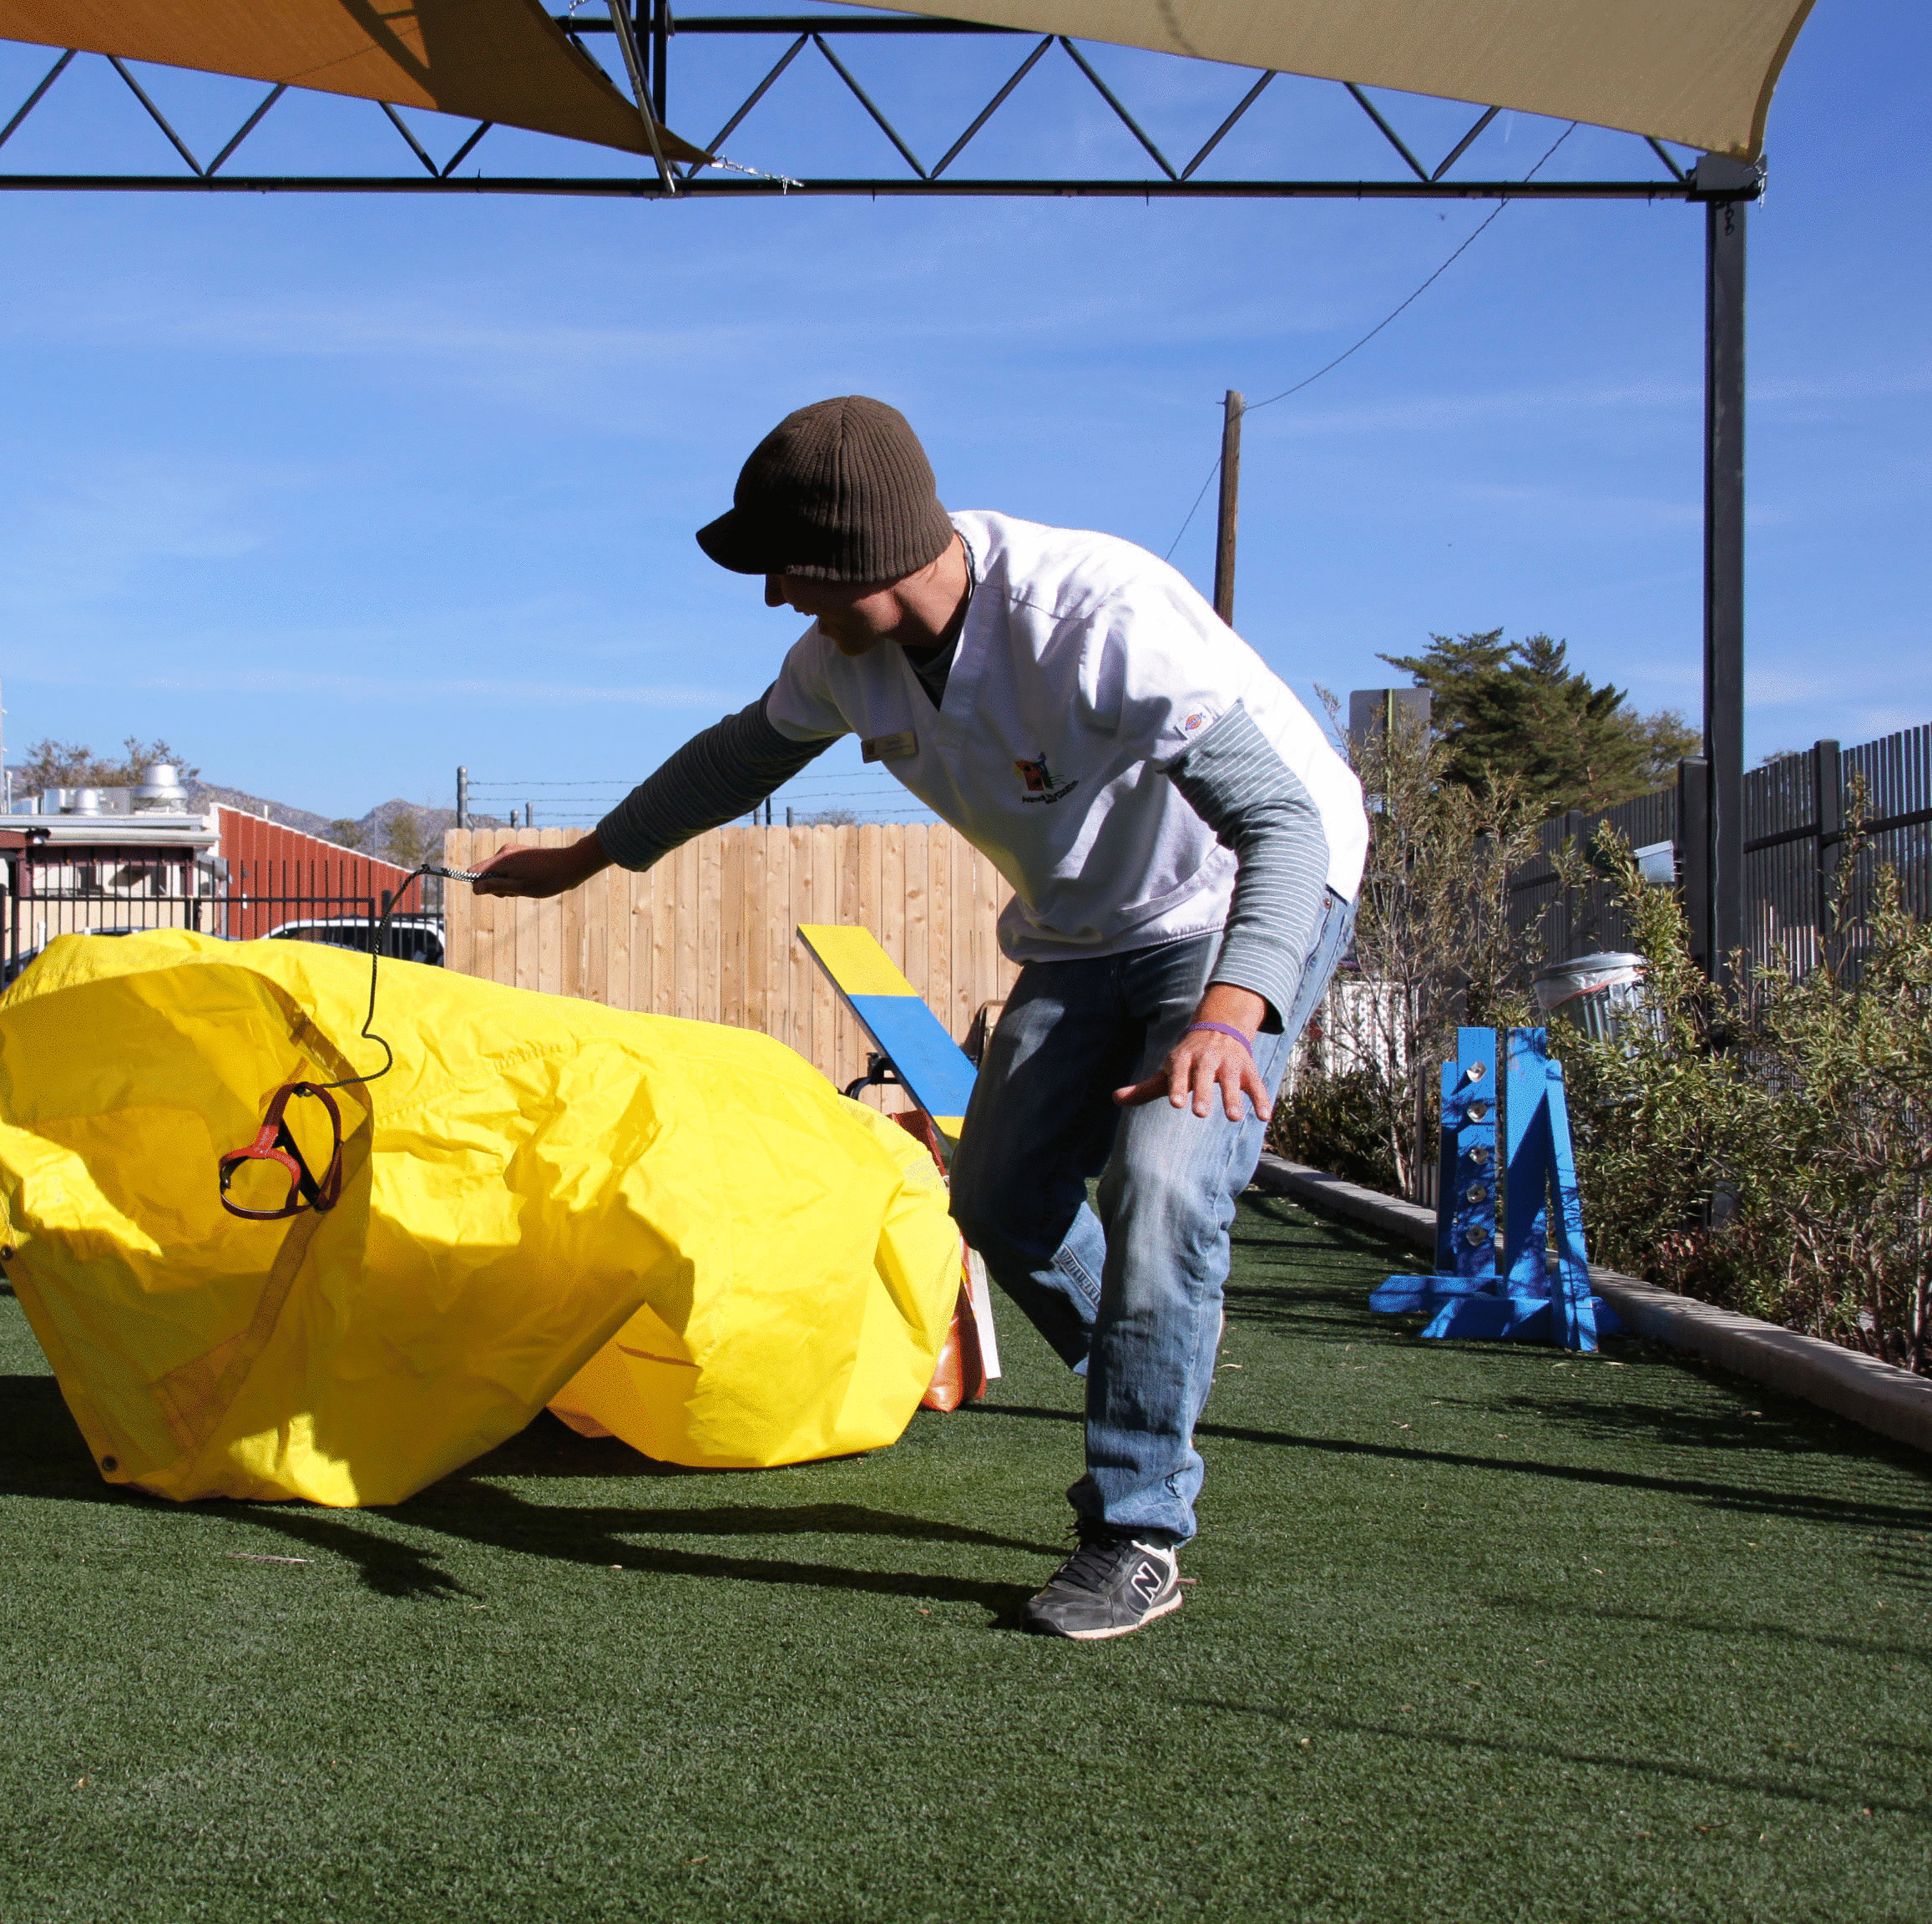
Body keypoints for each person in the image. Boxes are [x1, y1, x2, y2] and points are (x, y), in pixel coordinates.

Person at [473, 397, 1365, 1639]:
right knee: (997, 1203)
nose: (778, 599)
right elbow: (737, 759)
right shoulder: (848, 659)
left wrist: (1231, 1010)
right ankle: (1151, 1367)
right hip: (1082, 924)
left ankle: (1137, 1526)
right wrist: (592, 857)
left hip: (1240, 904)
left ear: (861, 556)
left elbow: (1283, 824)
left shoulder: (1095, 618)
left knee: (1163, 1189)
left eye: (787, 570)